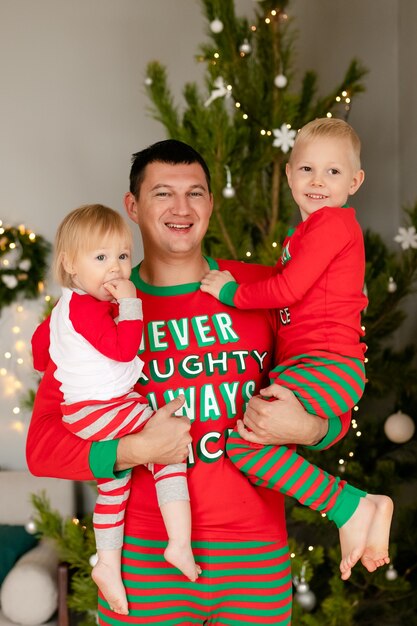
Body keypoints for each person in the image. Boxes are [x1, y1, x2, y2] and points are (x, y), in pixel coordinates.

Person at [28, 138, 355, 626]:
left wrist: (310, 428)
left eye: (195, 193)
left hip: (254, 558)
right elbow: (43, 448)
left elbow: (332, 392)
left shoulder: (260, 291)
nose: (181, 208)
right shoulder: (90, 314)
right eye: (163, 193)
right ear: (133, 207)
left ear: (210, 202)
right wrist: (134, 450)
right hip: (143, 564)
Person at [200, 118, 394, 580]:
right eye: (306, 169)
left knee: (245, 443)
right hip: (318, 364)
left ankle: (355, 506)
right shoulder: (305, 235)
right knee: (247, 444)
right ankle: (354, 512)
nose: (317, 182)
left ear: (355, 181)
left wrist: (229, 294)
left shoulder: (332, 224)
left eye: (332, 172)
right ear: (288, 176)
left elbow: (286, 289)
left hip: (326, 361)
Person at [31, 204, 201, 615]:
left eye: (123, 257)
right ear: (70, 264)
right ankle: (179, 542)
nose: (116, 270)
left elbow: (41, 356)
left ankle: (107, 564)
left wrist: (73, 361)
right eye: (101, 258)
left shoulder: (63, 310)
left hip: (85, 411)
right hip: (102, 408)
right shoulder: (90, 309)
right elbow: (126, 350)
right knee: (171, 441)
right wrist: (131, 303)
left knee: (114, 485)